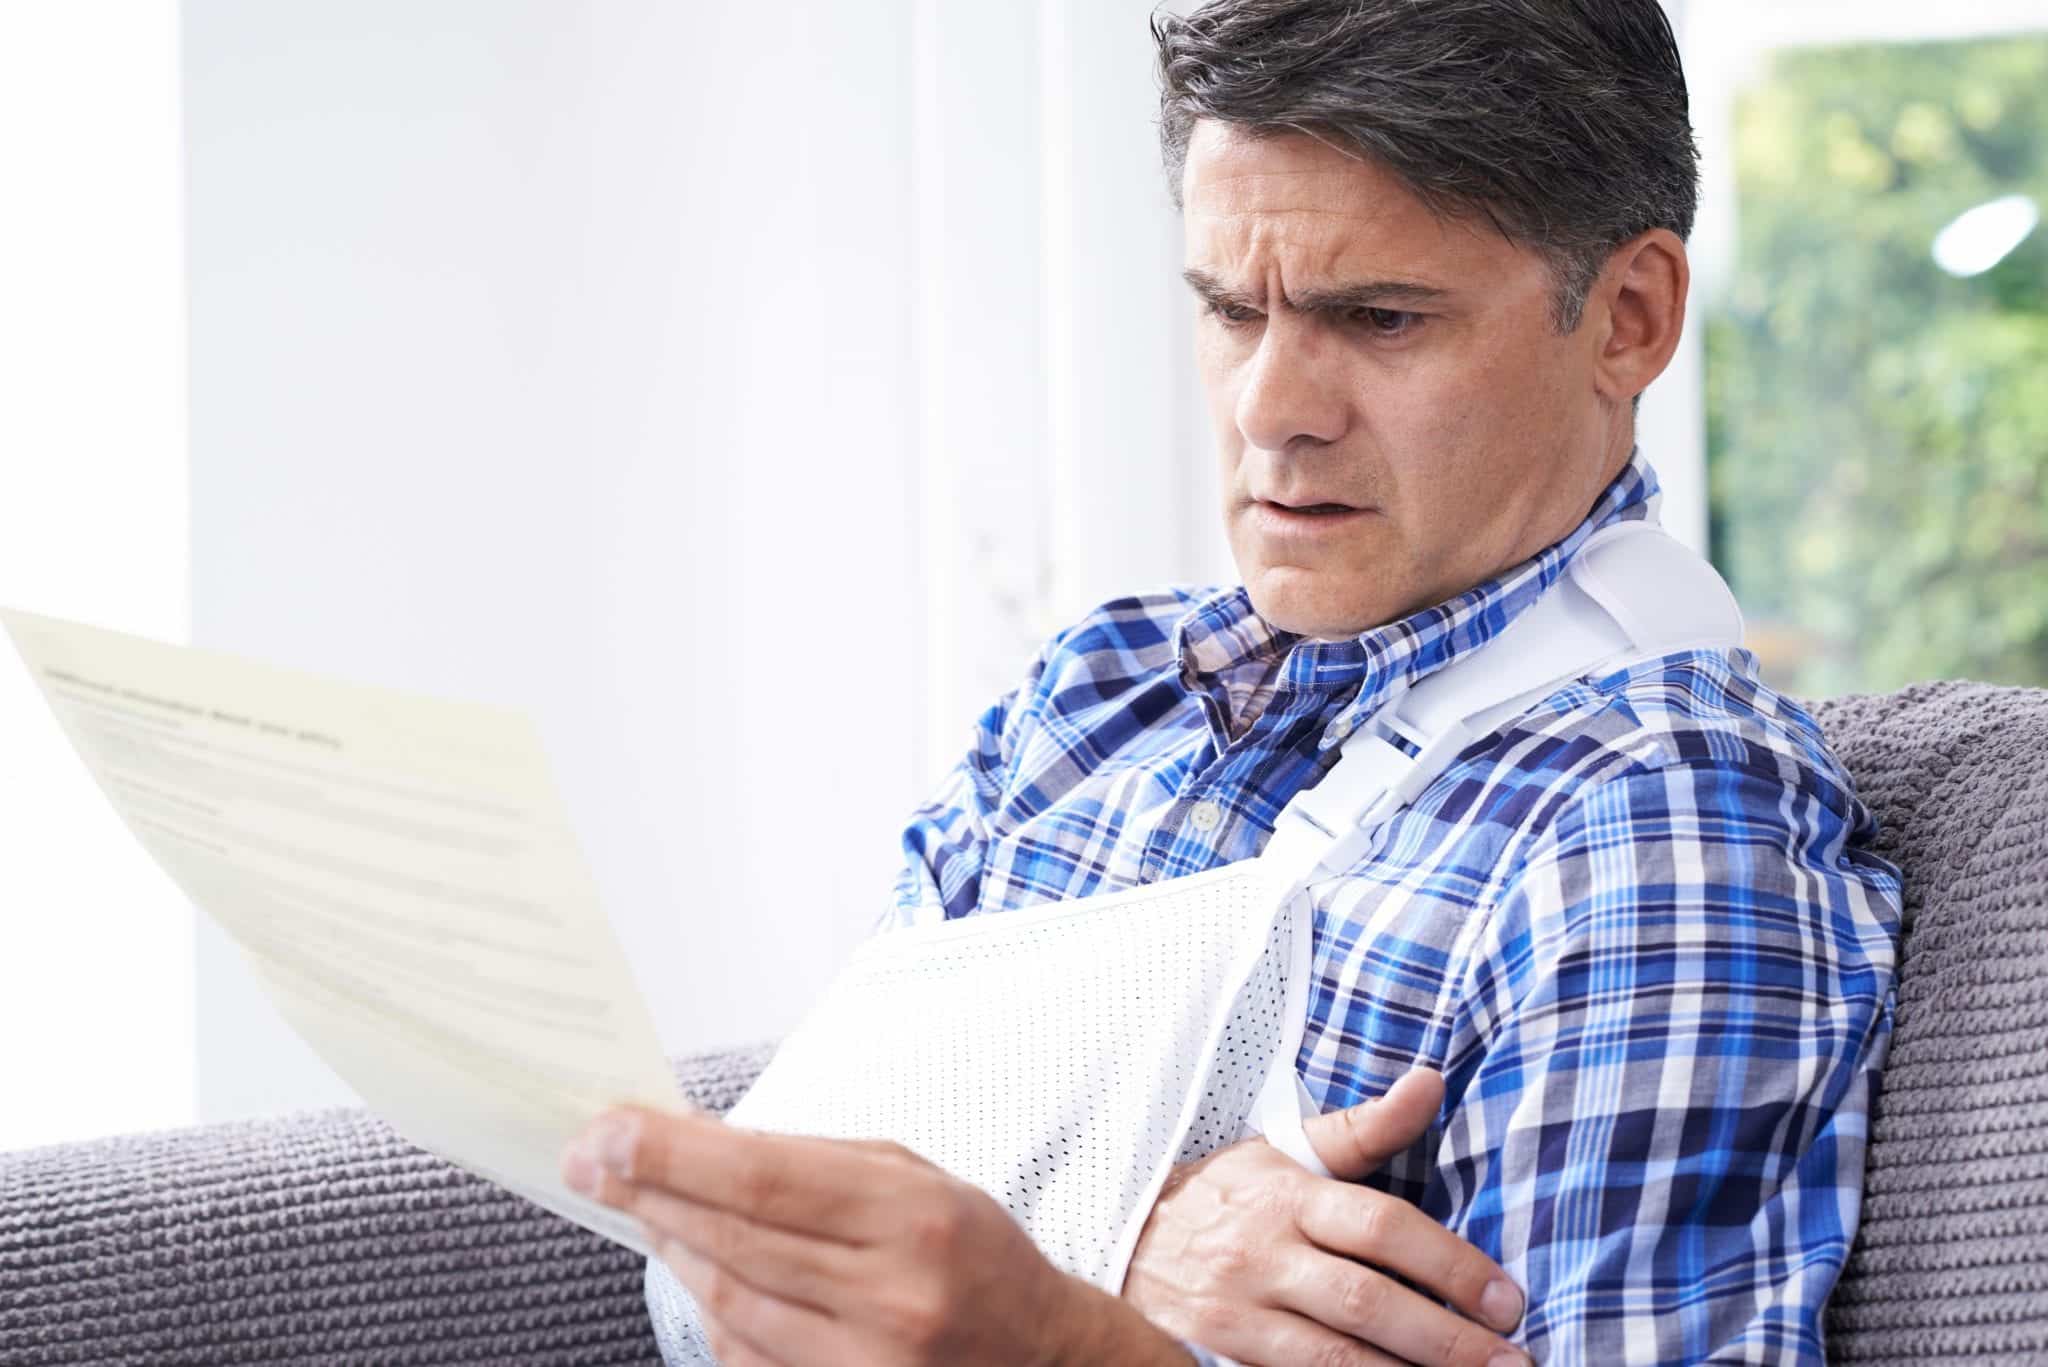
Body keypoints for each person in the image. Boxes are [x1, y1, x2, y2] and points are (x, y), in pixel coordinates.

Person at [559, 1, 1903, 1362]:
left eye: (1379, 319)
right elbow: (796, 1218)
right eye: (1226, 309)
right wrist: (1125, 1242)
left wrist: (1067, 1340)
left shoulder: (1649, 832)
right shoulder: (1097, 697)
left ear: (1628, 317)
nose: (1271, 407)